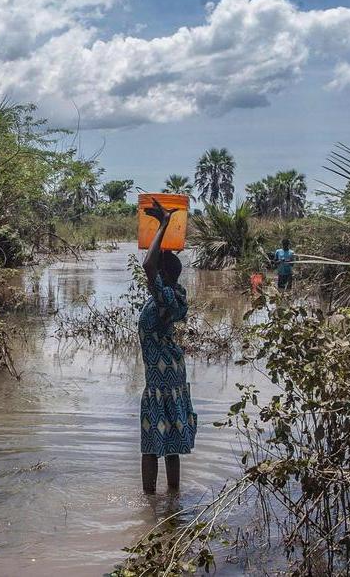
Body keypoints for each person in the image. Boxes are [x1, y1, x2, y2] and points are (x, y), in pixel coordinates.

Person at [138, 198, 197, 494]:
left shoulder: (164, 297)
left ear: (162, 274)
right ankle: (173, 501)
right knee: (171, 439)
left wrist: (162, 225)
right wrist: (168, 236)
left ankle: (149, 504)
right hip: (170, 373)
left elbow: (148, 264)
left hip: (160, 378)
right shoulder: (175, 294)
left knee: (150, 442)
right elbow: (157, 263)